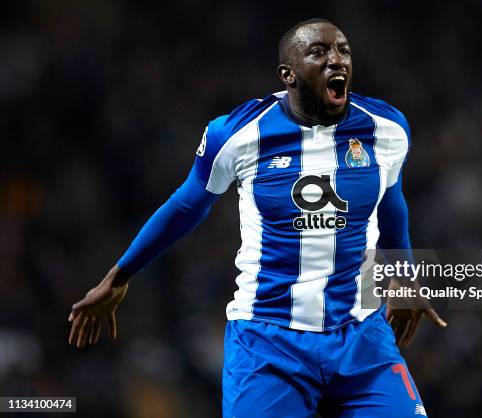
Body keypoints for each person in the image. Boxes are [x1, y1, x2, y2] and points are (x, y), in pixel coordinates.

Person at [68, 18, 446, 417]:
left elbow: (392, 204)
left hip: (361, 337)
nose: (337, 60)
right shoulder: (237, 134)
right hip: (268, 343)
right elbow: (186, 206)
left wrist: (403, 276)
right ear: (289, 75)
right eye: (319, 52)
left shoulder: (387, 129)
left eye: (344, 51)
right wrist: (120, 274)